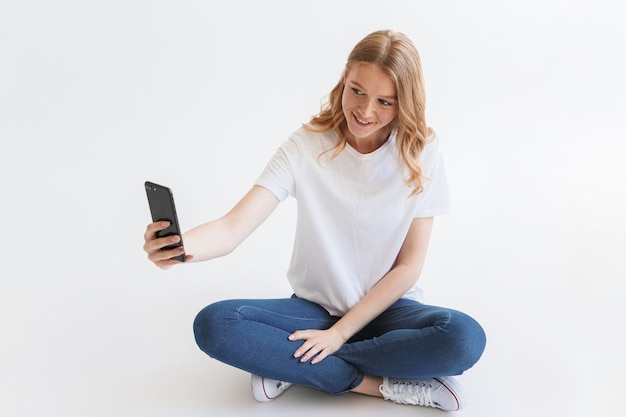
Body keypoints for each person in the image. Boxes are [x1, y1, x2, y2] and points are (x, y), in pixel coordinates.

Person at [143, 29, 486, 411]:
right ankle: (372, 384)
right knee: (215, 324)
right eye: (357, 90)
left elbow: (409, 266)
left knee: (464, 339)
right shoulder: (305, 145)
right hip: (314, 310)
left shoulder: (422, 150)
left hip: (389, 311)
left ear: (403, 103)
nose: (365, 111)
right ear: (344, 79)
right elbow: (231, 228)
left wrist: (340, 335)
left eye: (384, 101)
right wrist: (182, 247)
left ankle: (290, 364)